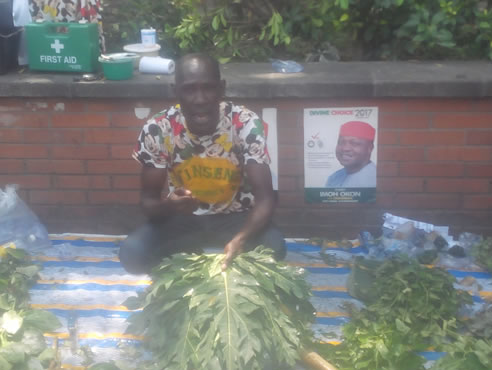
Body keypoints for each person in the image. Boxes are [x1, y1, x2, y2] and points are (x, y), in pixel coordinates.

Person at [119, 53, 286, 274]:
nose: (200, 99)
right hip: (182, 219)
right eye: (189, 90)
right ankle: (193, 264)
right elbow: (148, 203)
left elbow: (266, 199)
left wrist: (241, 239)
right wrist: (170, 205)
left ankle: (217, 252)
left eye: (208, 88)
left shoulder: (245, 123)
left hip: (236, 218)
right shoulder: (158, 129)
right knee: (132, 254)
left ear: (221, 89)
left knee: (275, 248)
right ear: (175, 91)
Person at [325, 121, 377, 188]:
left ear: (370, 148)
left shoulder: (375, 179)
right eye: (341, 142)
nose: (345, 148)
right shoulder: (334, 178)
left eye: (354, 143)